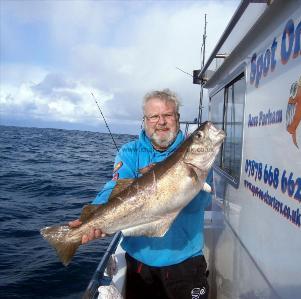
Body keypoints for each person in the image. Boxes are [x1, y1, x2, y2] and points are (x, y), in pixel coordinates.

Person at [70, 89, 211, 299]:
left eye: (167, 115)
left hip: (185, 260)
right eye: (154, 116)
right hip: (139, 262)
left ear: (178, 118)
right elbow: (113, 188)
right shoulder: (129, 152)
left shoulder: (195, 153)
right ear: (144, 120)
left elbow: (200, 204)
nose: (161, 122)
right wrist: (94, 217)